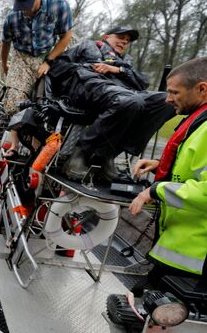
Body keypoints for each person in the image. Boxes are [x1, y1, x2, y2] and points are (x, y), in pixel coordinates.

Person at [52, 26, 176, 181]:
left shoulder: (126, 62)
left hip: (122, 91)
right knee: (130, 101)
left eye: (127, 40)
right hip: (90, 85)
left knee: (167, 101)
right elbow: (58, 67)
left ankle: (107, 156)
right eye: (121, 37)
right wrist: (90, 67)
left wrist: (117, 70)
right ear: (105, 36)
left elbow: (143, 83)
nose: (124, 41)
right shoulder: (88, 46)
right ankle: (81, 154)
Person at [129, 56, 207, 287]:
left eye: (175, 92)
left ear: (202, 89)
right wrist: (160, 166)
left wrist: (155, 190)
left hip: (194, 258)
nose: (168, 99)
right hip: (183, 247)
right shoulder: (199, 121)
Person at [0, 0, 74, 155]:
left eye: (28, 4)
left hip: (48, 54)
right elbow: (5, 44)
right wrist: (5, 66)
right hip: (22, 57)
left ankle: (35, 146)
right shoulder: (12, 17)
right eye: (21, 5)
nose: (24, 10)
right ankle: (14, 145)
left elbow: (66, 36)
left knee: (43, 103)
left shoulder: (59, 6)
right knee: (13, 101)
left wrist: (48, 61)